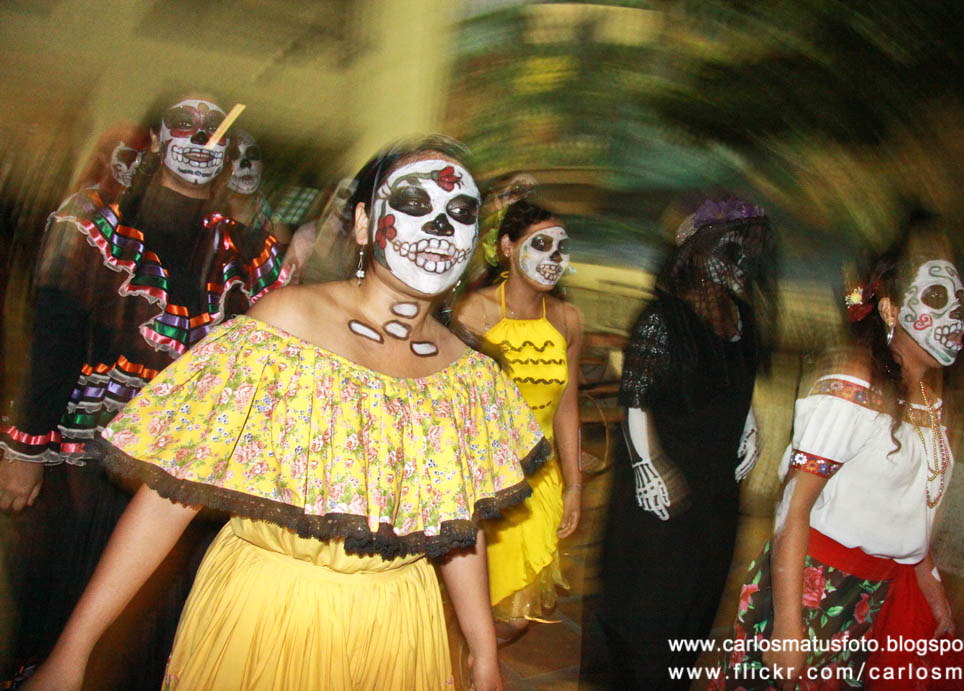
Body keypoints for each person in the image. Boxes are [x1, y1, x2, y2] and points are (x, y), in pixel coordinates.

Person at [24, 137, 548, 691]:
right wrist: (74, 652)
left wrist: (483, 654)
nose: (441, 229)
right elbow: (168, 498)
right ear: (366, 224)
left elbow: (456, 527)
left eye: (461, 213)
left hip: (400, 629)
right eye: (415, 205)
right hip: (266, 617)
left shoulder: (467, 375)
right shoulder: (283, 325)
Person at [0, 94, 289, 687]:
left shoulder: (249, 252)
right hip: (90, 469)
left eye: (215, 132)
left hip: (190, 476)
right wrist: (26, 448)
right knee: (69, 609)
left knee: (155, 627)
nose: (200, 139)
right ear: (156, 140)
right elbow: (54, 339)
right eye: (185, 125)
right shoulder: (94, 223)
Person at [716, 225, 964, 690]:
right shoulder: (854, 387)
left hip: (871, 597)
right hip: (810, 586)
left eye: (959, 302)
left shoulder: (936, 405)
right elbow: (793, 506)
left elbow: (914, 508)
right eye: (936, 296)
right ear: (892, 309)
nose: (954, 315)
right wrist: (788, 627)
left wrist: (931, 587)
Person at [597, 196, 775, 688]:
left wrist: (749, 422)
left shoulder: (741, 318)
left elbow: (733, 380)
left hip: (716, 492)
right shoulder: (663, 320)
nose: (741, 259)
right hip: (664, 499)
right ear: (696, 252)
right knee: (651, 611)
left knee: (697, 604)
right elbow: (636, 398)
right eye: (727, 247)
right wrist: (649, 466)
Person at [456, 197, 583, 640]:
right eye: (541, 243)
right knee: (478, 607)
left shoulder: (567, 320)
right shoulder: (475, 312)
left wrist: (575, 486)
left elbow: (567, 407)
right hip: (486, 483)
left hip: (542, 480)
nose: (553, 258)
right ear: (508, 247)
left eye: (561, 248)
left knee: (514, 617)